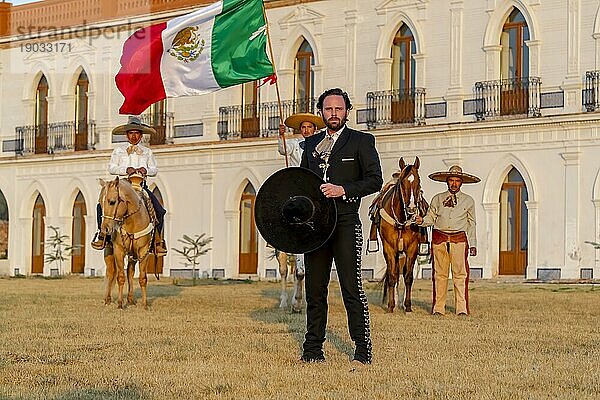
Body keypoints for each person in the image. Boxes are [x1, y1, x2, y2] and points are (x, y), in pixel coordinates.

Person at [300, 88, 383, 366]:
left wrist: (343, 188)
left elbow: (374, 181)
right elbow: (303, 184)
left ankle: (362, 348)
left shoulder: (361, 141)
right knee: (315, 290)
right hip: (316, 228)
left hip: (346, 222)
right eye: (328, 109)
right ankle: (312, 349)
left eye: (338, 109)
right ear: (321, 112)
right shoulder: (310, 145)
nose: (333, 113)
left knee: (351, 287)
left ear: (347, 111)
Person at [91, 117, 167, 256]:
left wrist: (146, 170)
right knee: (101, 205)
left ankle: (157, 241)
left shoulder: (147, 152)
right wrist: (126, 169)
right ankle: (102, 236)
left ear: (141, 135)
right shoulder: (118, 151)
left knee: (160, 211)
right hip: (123, 186)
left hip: (140, 187)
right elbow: (112, 168)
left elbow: (154, 170)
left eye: (137, 133)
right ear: (127, 135)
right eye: (131, 133)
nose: (134, 136)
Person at [415, 165, 480, 316]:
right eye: (451, 180)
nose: (454, 183)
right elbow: (431, 217)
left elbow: (472, 223)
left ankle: (461, 308)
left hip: (459, 240)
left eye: (457, 180)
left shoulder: (468, 201)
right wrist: (421, 221)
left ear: (461, 182)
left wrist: (473, 244)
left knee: (460, 274)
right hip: (439, 240)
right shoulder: (437, 199)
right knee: (439, 274)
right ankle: (439, 308)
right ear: (447, 181)